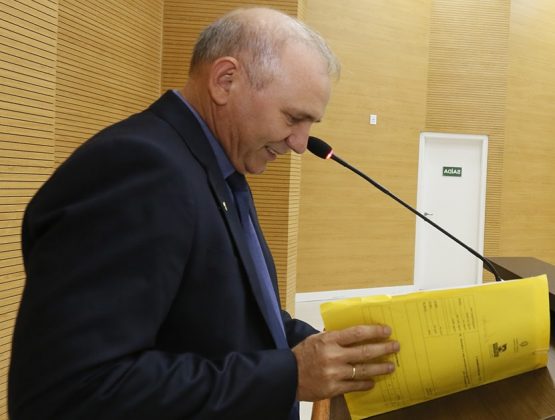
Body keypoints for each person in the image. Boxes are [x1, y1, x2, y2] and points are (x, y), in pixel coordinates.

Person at [9, 7, 400, 420]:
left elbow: (230, 322)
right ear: (225, 81)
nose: (301, 144)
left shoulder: (218, 171)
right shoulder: (140, 168)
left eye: (310, 123)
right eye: (293, 118)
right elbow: (73, 392)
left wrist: (333, 350)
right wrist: (289, 375)